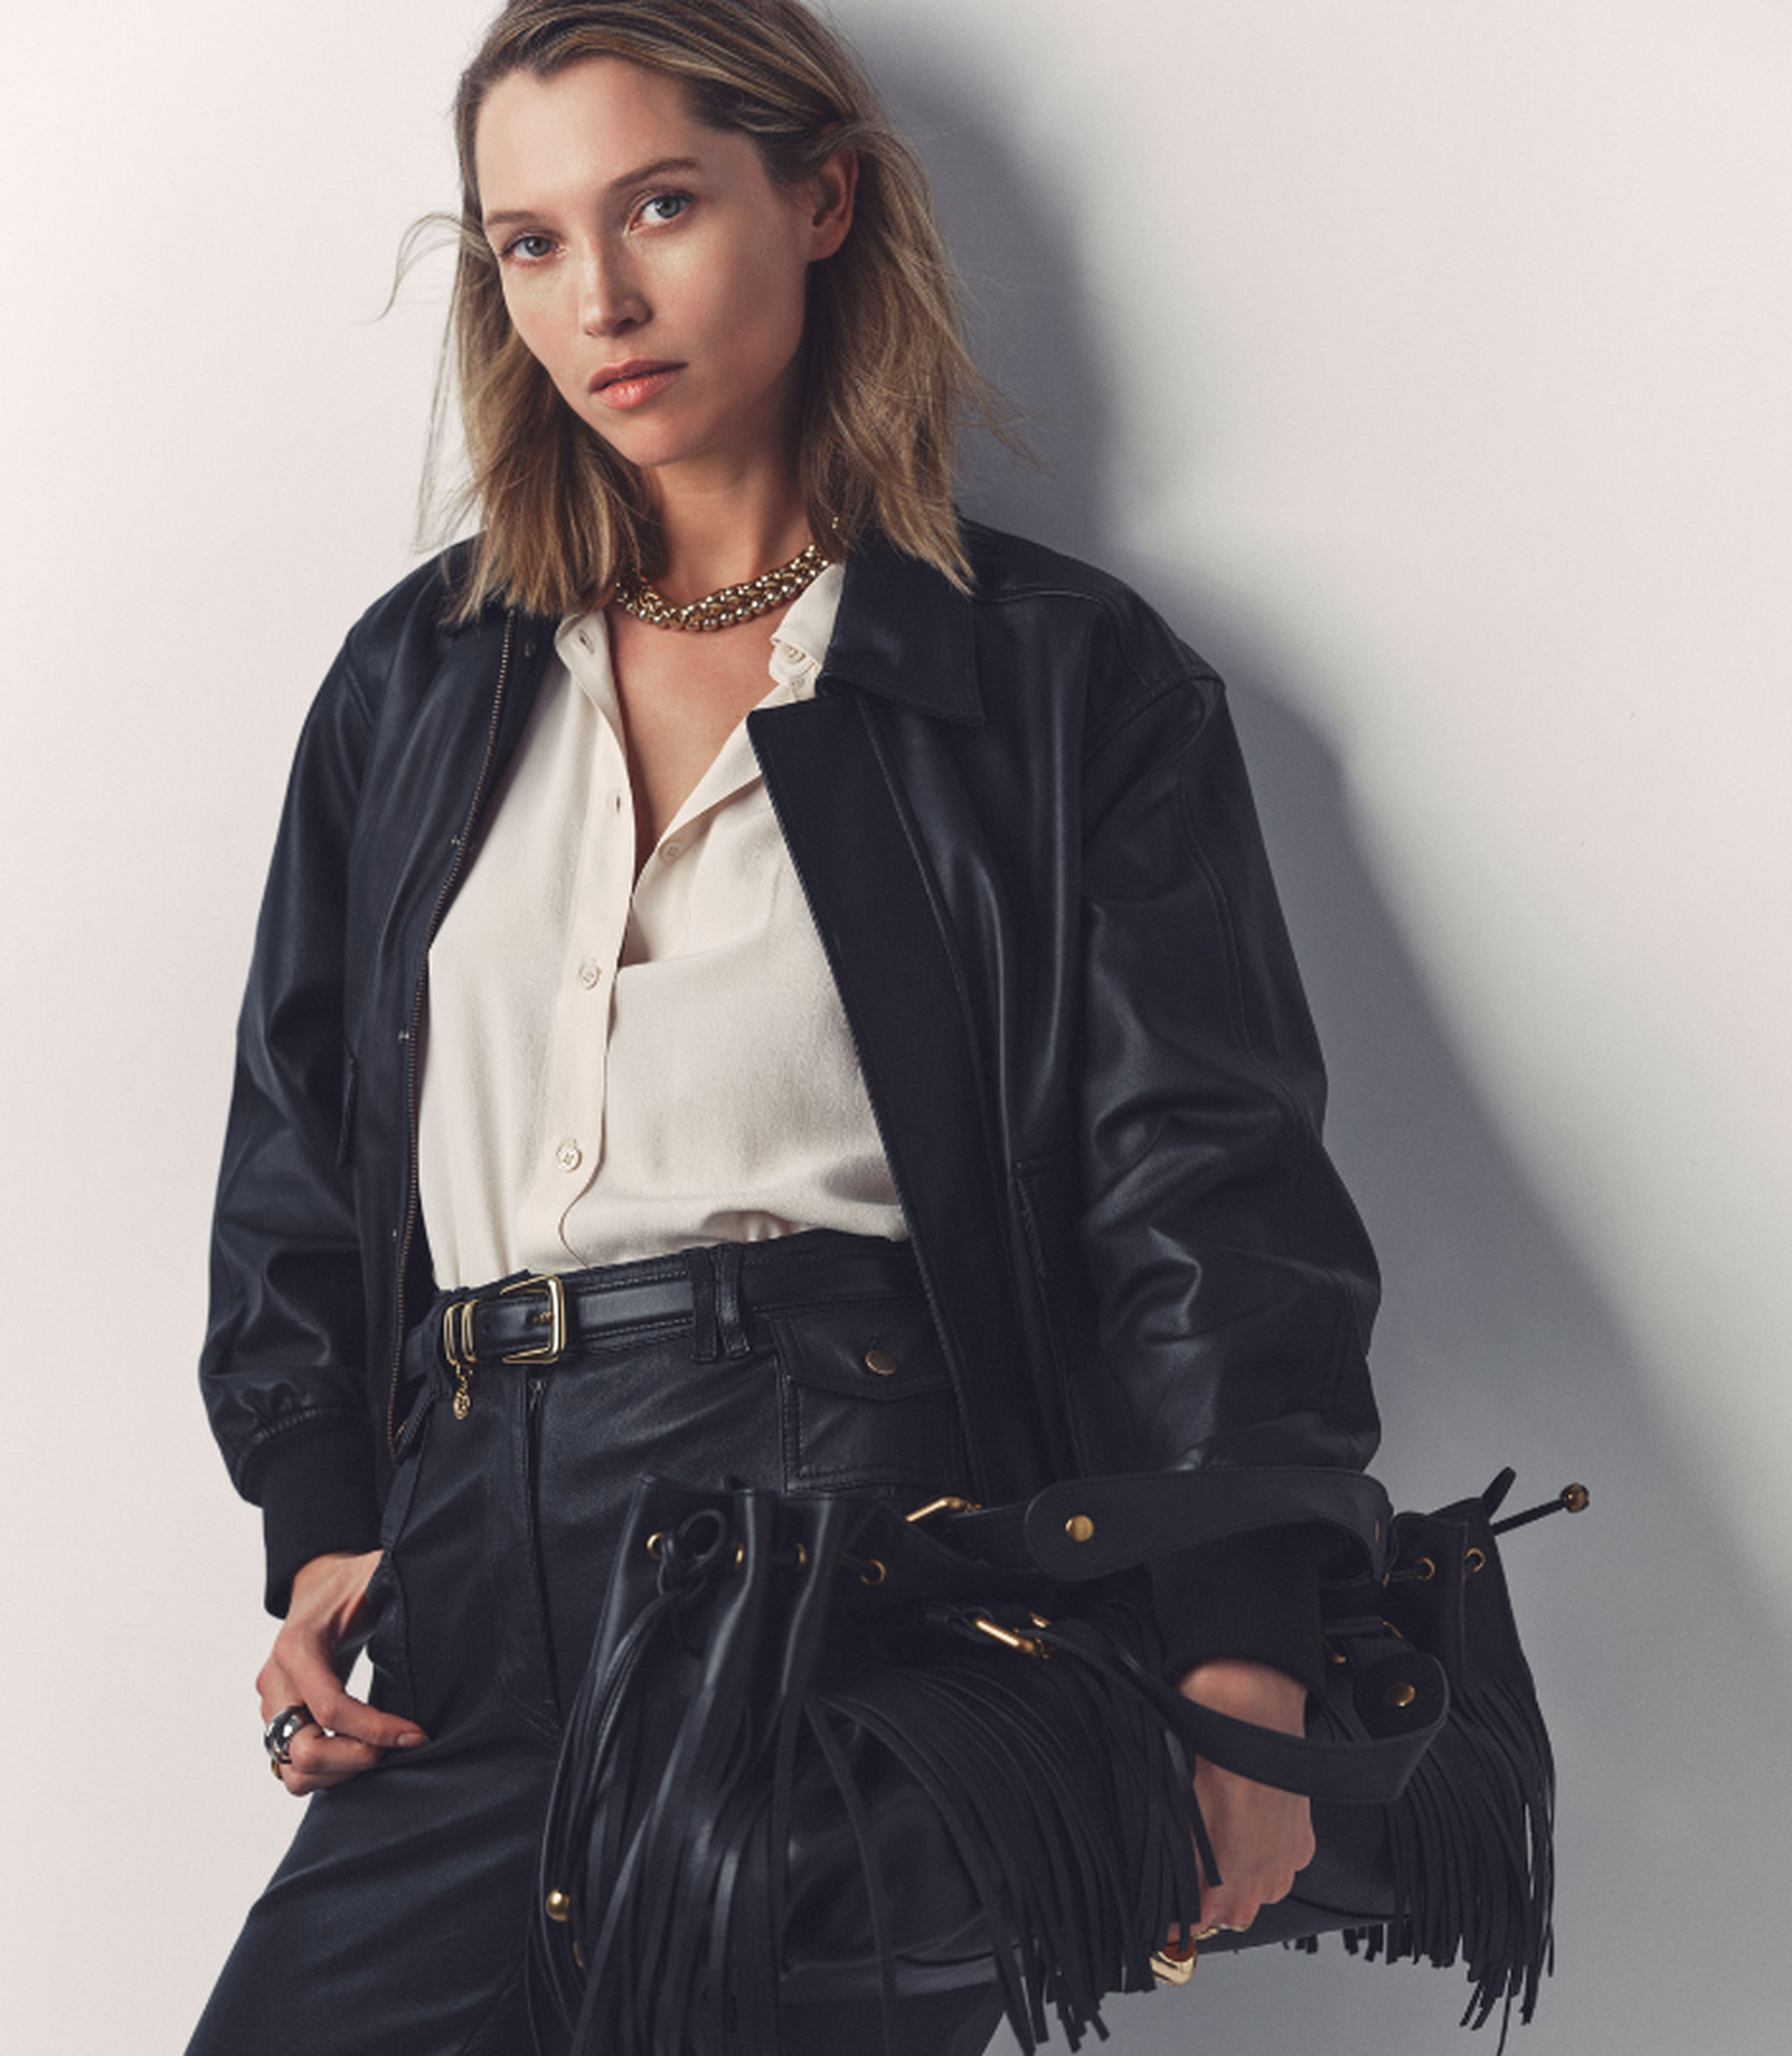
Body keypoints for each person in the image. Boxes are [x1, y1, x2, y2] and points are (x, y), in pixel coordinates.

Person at [189, 3, 1380, 2052]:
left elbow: (1203, 1188)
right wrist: (320, 1532)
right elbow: (304, 1138)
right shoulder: (422, 675)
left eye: (659, 205)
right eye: (531, 241)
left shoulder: (1056, 682)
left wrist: (1242, 1653)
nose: (599, 297)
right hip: (472, 1570)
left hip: (855, 1554)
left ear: (820, 199)